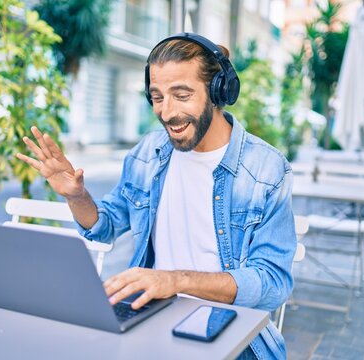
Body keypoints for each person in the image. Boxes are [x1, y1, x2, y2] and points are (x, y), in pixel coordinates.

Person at [17, 32, 296, 359]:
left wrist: (174, 281)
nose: (166, 112)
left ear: (219, 91)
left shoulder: (266, 169)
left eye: (182, 94)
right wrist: (76, 196)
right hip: (151, 320)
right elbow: (105, 225)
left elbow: (273, 284)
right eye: (157, 96)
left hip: (235, 337)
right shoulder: (149, 153)